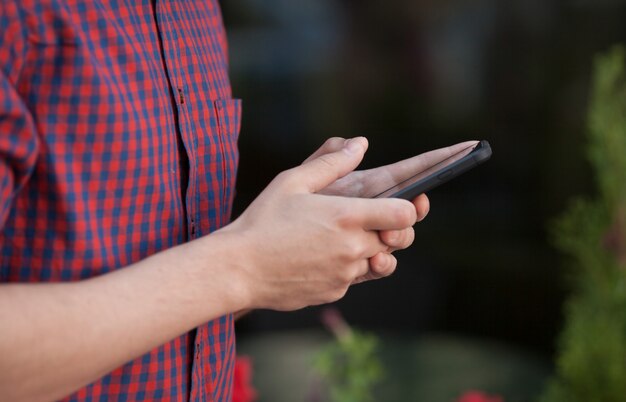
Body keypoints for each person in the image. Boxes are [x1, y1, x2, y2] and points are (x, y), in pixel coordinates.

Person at [0, 1, 473, 401]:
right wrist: (242, 267)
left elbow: (181, 290)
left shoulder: (195, 12)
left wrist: (281, 248)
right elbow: (221, 273)